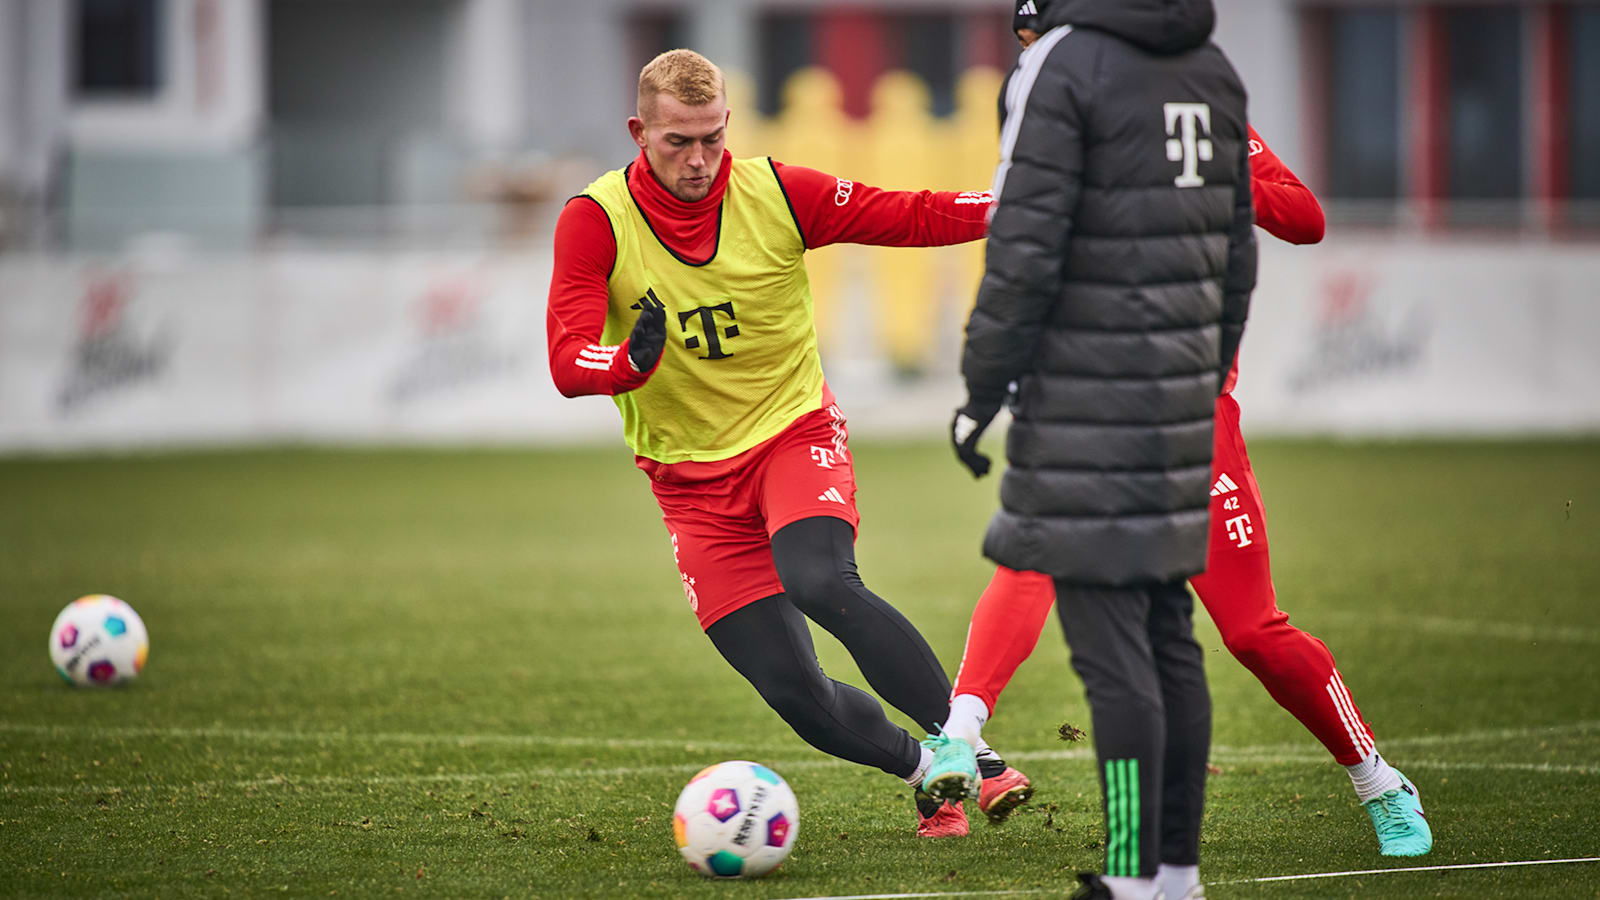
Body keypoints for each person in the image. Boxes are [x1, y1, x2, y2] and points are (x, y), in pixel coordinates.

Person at [941, 4, 1433, 886]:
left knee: (1240, 632)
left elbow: (1302, 219)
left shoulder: (1195, 96)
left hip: (1187, 413)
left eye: (1036, 35)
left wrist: (1202, 180)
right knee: (1050, 569)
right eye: (1023, 41)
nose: (1035, 54)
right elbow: (1035, 242)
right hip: (1091, 400)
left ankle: (1376, 780)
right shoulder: (1059, 95)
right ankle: (965, 734)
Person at [544, 48, 1028, 839]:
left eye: (713, 137)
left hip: (790, 436)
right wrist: (625, 364)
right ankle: (926, 776)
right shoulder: (594, 221)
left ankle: (975, 755)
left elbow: (907, 212)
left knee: (818, 578)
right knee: (794, 693)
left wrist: (1022, 205)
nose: (700, 160)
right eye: (678, 143)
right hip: (691, 488)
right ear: (639, 132)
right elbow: (568, 357)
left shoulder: (773, 190)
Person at [948, 0, 1256, 896]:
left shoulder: (1065, 63)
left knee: (1113, 656)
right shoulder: (1215, 70)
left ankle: (1130, 877)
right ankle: (1175, 878)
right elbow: (1239, 255)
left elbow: (1023, 243)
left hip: (1084, 406)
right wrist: (1205, 371)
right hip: (1180, 401)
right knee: (1168, 638)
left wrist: (981, 389)